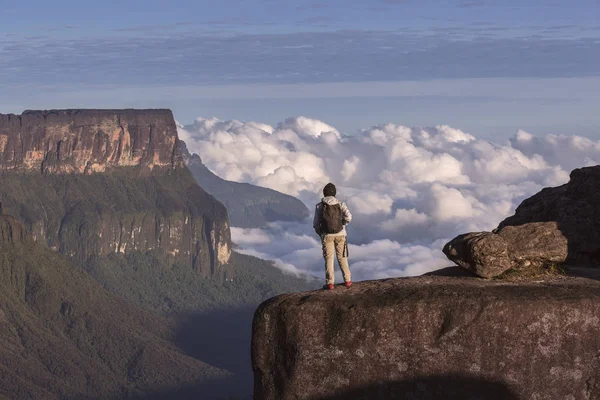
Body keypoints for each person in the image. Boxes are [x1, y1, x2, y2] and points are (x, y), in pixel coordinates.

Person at [313, 183, 352, 290]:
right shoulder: (340, 204)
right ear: (334, 193)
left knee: (329, 259)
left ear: (324, 193)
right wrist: (343, 224)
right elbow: (349, 217)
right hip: (341, 234)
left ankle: (330, 283)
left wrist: (321, 233)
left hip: (327, 235)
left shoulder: (320, 206)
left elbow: (316, 223)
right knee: (342, 258)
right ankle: (347, 280)